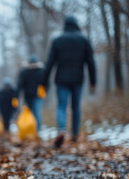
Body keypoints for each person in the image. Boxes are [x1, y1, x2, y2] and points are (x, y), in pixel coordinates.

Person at [43, 15, 96, 148]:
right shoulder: (83, 40)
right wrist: (93, 81)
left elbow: (49, 62)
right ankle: (74, 135)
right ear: (76, 24)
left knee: (61, 106)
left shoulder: (58, 40)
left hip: (61, 79)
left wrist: (44, 82)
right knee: (75, 107)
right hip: (78, 79)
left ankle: (62, 129)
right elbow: (90, 62)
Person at [16, 54, 45, 131]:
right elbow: (45, 83)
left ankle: (34, 130)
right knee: (36, 112)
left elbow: (20, 85)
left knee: (31, 113)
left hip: (31, 96)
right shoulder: (41, 71)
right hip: (35, 95)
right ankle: (36, 130)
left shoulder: (25, 71)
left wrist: (17, 96)